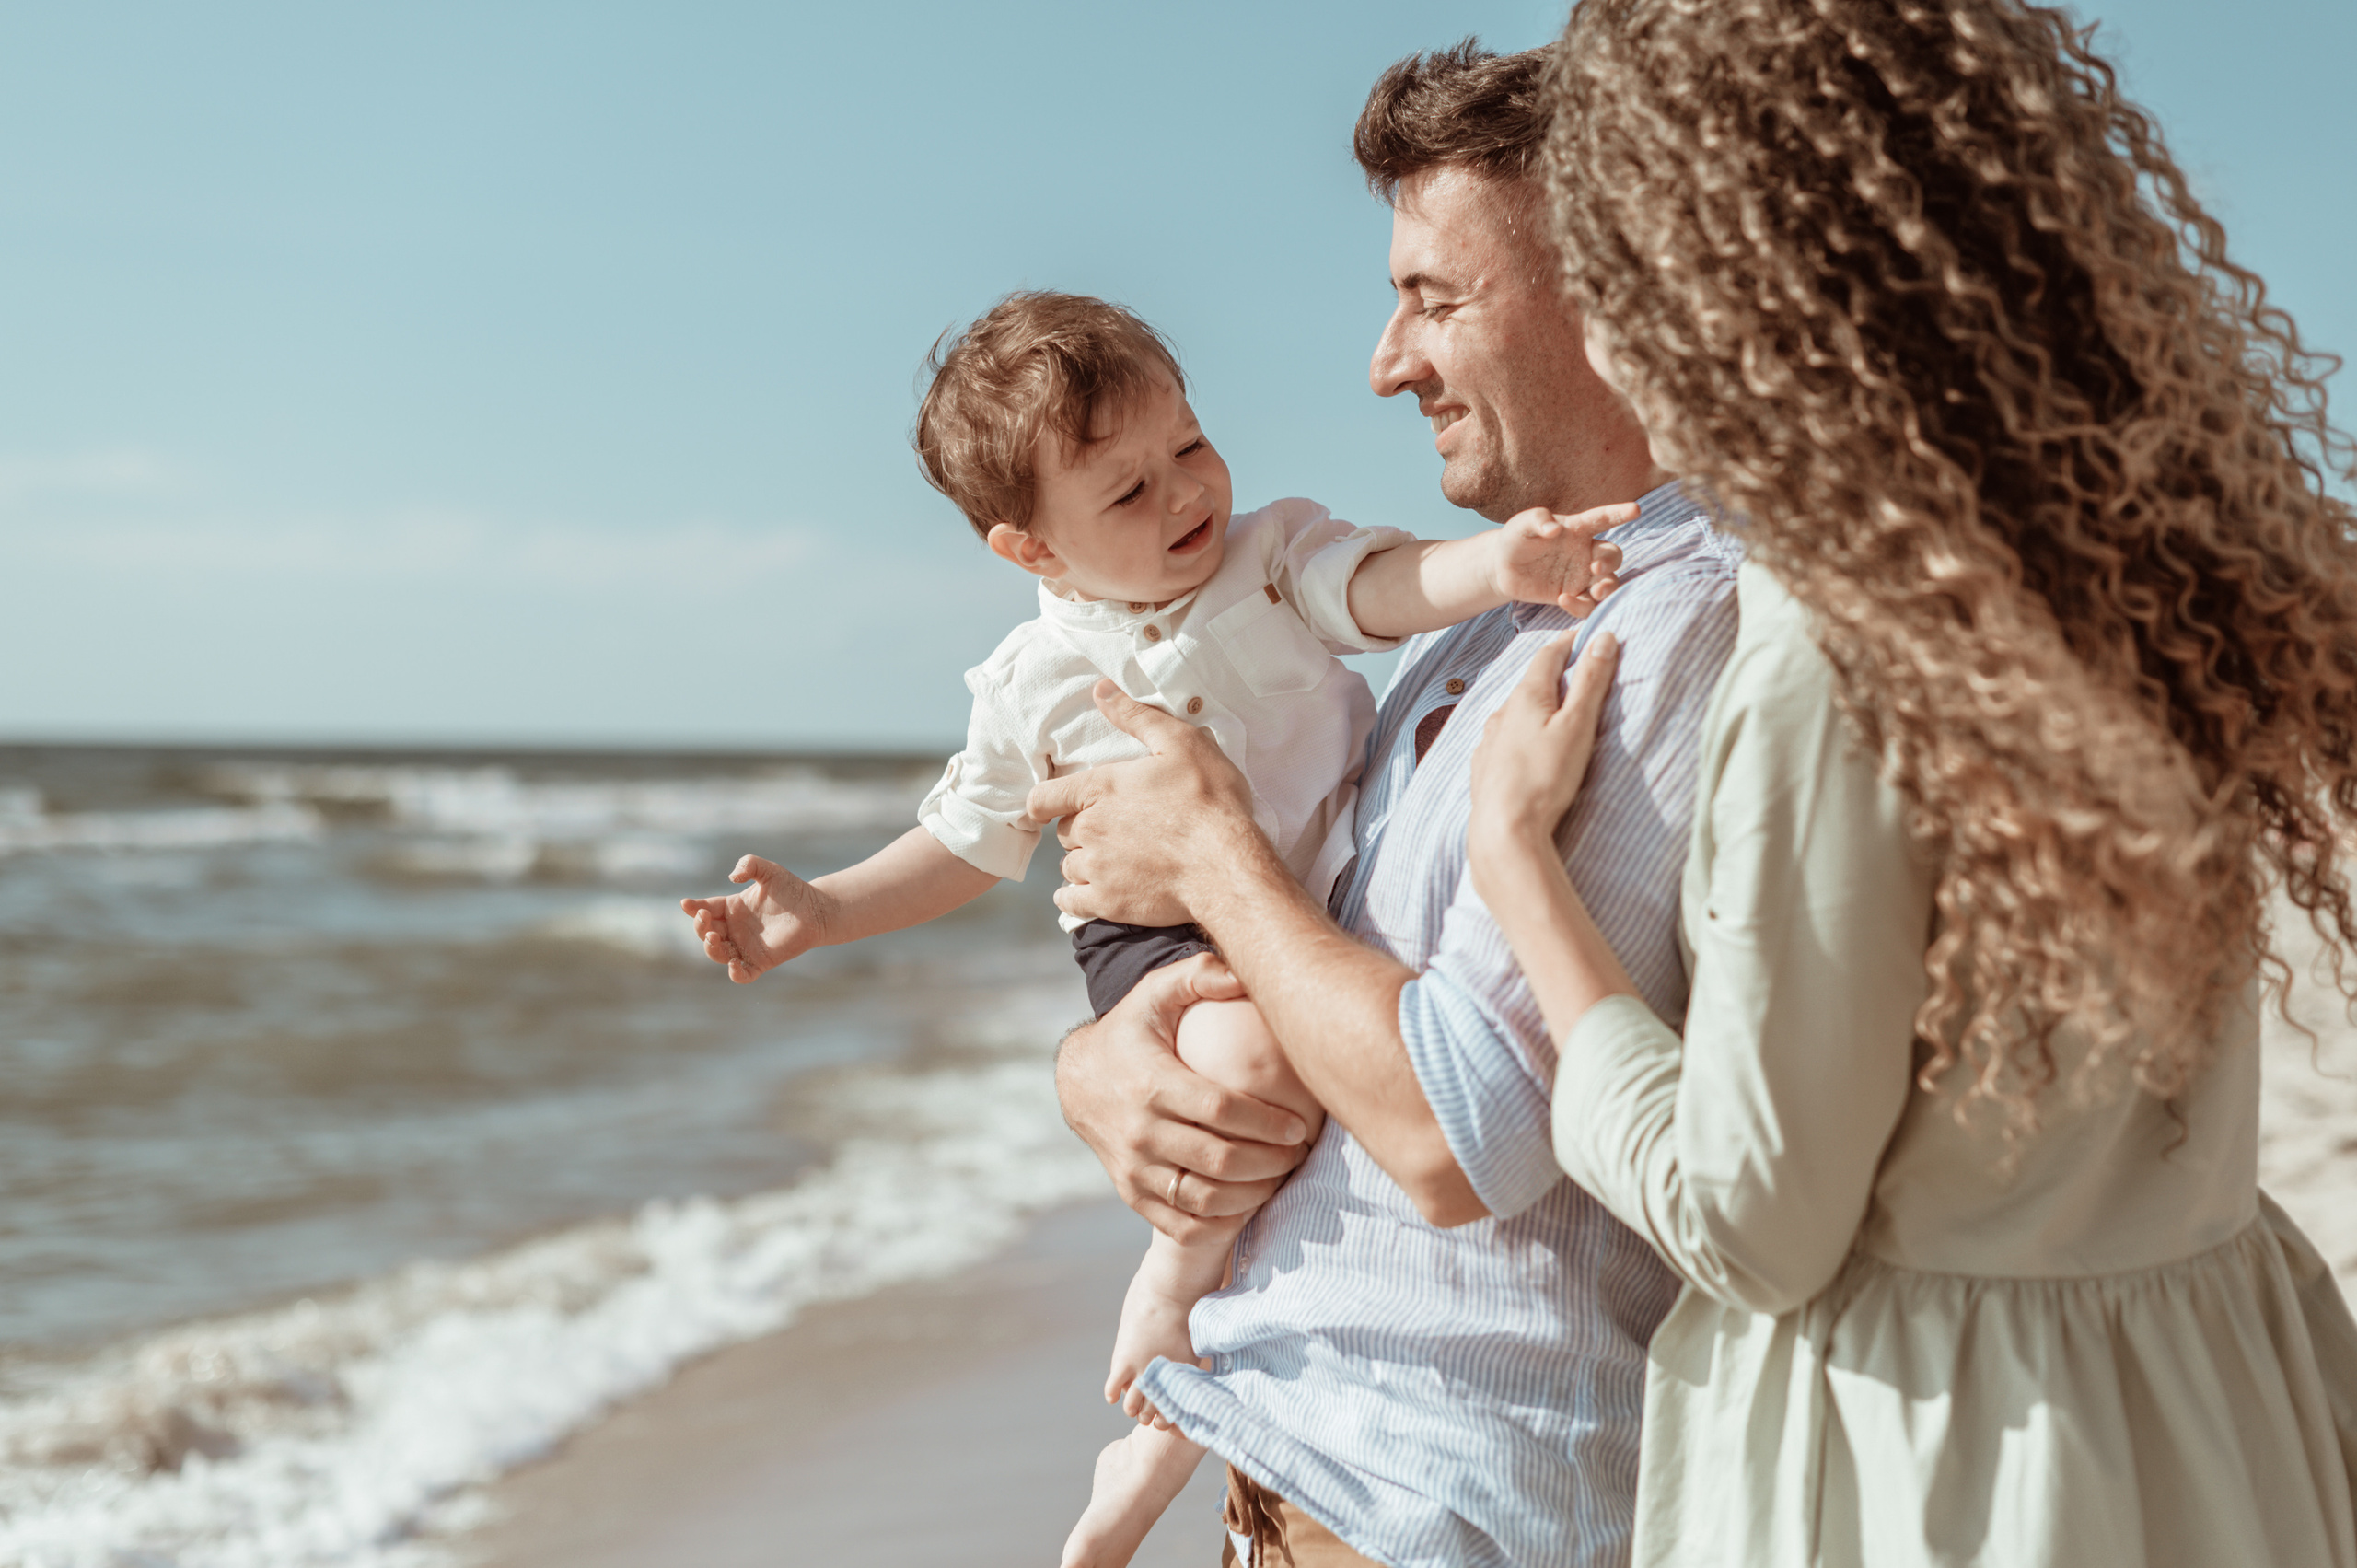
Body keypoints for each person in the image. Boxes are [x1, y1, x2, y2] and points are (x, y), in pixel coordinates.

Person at [1458, 2, 2357, 1564]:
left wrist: (1519, 869)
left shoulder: (1841, 646)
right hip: (2206, 1406)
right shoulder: (2138, 567)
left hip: (1953, 1467)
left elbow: (1757, 1218)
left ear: (1704, 274)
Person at [677, 288, 1627, 1568]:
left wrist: (1501, 567)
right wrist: (824, 912)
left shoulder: (1271, 555)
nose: (1184, 494)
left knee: (1312, 1093)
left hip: (1311, 889)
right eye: (1124, 494)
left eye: (1188, 446)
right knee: (1248, 1081)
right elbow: (969, 842)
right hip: (1157, 931)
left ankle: (1172, 1421)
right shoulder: (1034, 683)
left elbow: (1388, 586)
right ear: (1032, 552)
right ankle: (1171, 1311)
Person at [1031, 45, 1741, 1568]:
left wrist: (1215, 855)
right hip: (1294, 1472)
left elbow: (1453, 1133)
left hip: (1443, 1509)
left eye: (1436, 296)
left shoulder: (1689, 622)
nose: (1385, 361)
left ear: (1616, 292)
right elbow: (1318, 978)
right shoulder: (1485, 628)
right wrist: (1109, 1062)